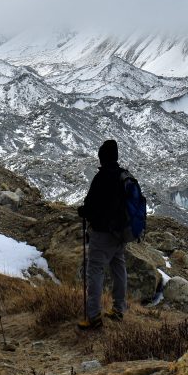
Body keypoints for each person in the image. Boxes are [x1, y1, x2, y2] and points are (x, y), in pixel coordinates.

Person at [77, 139, 130, 329]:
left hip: (102, 234)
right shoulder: (123, 176)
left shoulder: (101, 178)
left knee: (95, 271)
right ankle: (118, 309)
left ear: (103, 157)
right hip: (120, 234)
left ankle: (93, 316)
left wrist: (83, 211)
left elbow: (91, 206)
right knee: (118, 269)